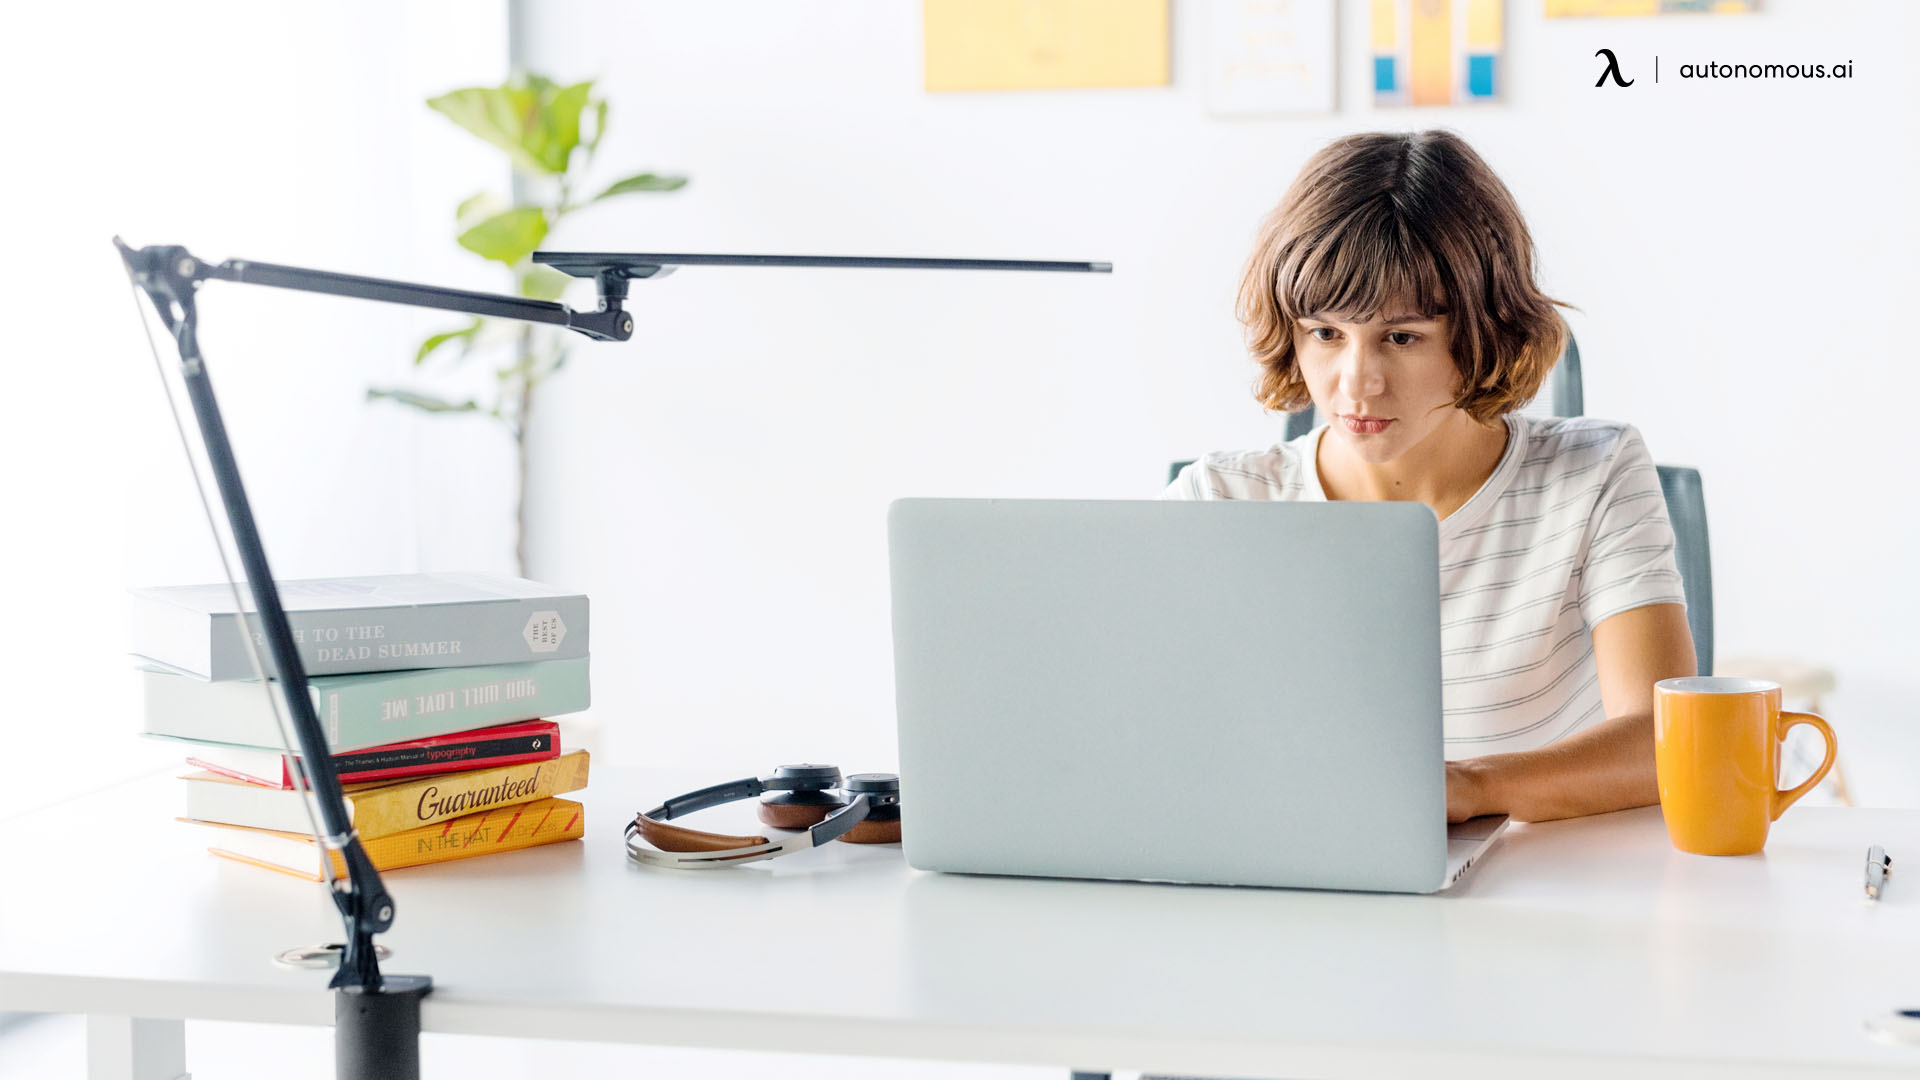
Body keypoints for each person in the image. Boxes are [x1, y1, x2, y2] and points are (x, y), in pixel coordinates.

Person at [1164, 130, 1696, 823]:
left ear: (1482, 333)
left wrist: (1471, 788)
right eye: (1325, 333)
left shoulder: (1593, 474)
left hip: (1541, 895)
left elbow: (1667, 742)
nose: (1357, 382)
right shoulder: (1219, 501)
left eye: (1402, 337)